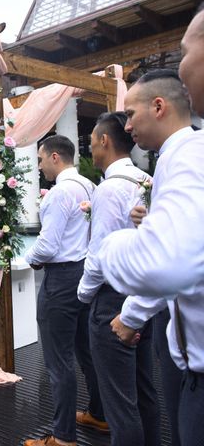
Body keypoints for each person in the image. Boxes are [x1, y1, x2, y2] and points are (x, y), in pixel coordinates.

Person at [97, 68, 204, 445]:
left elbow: (169, 261)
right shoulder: (176, 159)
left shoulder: (186, 155)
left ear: (159, 107)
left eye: (130, 114)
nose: (126, 126)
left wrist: (108, 249)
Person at [76, 113, 160, 445]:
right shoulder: (146, 180)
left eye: (93, 141)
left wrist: (83, 295)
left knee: (119, 404)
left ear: (104, 141)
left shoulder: (109, 189)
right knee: (144, 392)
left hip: (112, 300)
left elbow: (100, 256)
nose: (91, 149)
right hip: (144, 295)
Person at [23, 135, 106, 446]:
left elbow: (47, 245)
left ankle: (62, 437)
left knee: (59, 360)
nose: (40, 165)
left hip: (61, 281)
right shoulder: (90, 186)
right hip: (86, 275)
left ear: (55, 157)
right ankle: (99, 413)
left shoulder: (59, 193)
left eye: (41, 159)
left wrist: (29, 259)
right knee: (87, 351)